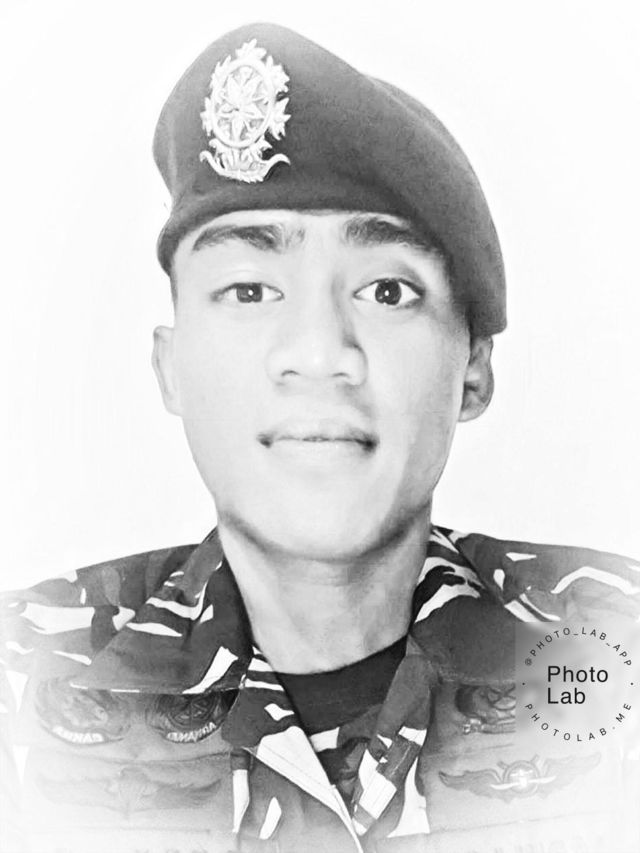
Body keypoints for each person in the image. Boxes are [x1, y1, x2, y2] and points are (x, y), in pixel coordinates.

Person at [1, 22, 638, 853]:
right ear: (169, 367)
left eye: (386, 290)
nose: (318, 350)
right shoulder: (23, 681)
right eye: (249, 289)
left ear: (474, 368)